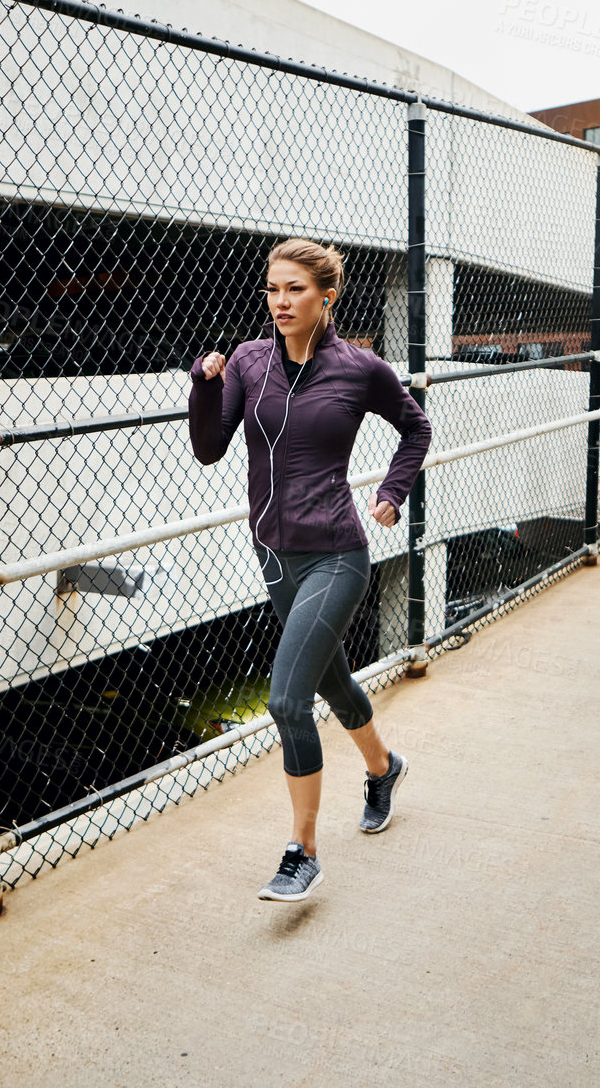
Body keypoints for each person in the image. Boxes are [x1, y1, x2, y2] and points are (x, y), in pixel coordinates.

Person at [187, 237, 433, 901]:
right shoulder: (248, 360)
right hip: (273, 556)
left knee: (286, 699)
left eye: (294, 288)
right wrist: (203, 387)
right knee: (330, 681)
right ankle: (384, 767)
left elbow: (417, 428)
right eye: (272, 288)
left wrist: (391, 492)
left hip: (336, 554)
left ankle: (303, 851)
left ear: (327, 296)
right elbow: (210, 448)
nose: (281, 301)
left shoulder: (361, 369)